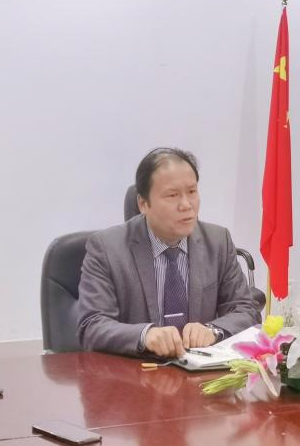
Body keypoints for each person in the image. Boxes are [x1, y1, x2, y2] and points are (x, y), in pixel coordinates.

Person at [77, 147, 264, 358]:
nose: (186, 205)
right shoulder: (107, 248)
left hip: (200, 372)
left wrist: (213, 330)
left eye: (192, 192)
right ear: (143, 203)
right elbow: (91, 326)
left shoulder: (218, 241)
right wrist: (144, 335)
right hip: (136, 371)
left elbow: (246, 310)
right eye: (172, 195)